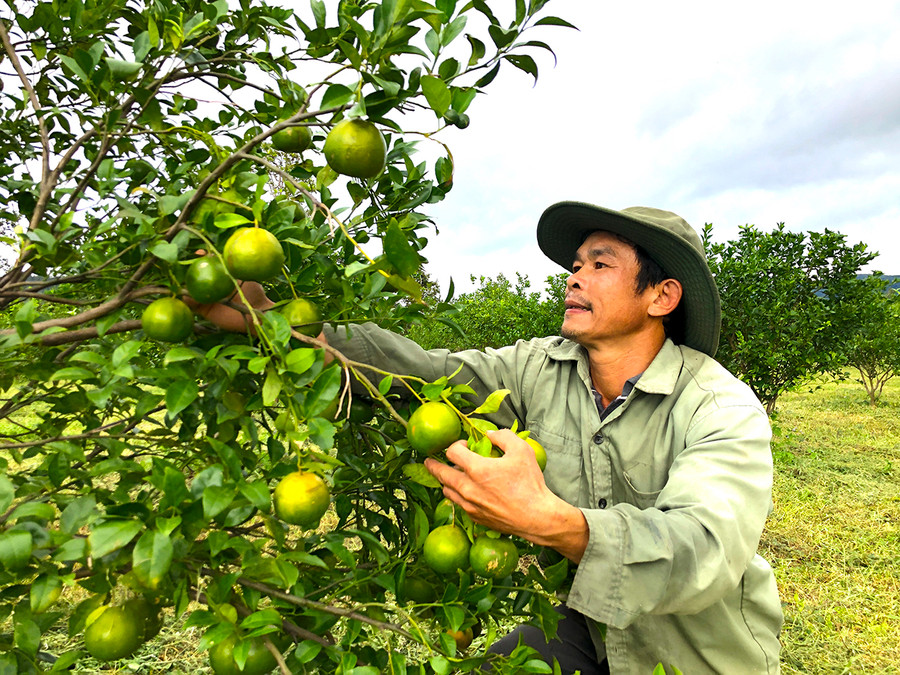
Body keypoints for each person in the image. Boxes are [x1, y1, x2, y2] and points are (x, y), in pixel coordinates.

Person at [199, 202, 783, 674]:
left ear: (662, 297)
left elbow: (703, 547)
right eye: (576, 264)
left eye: (600, 265)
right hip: (588, 625)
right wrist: (281, 321)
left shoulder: (720, 406)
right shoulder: (538, 368)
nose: (575, 277)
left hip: (695, 652)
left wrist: (548, 520)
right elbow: (428, 374)